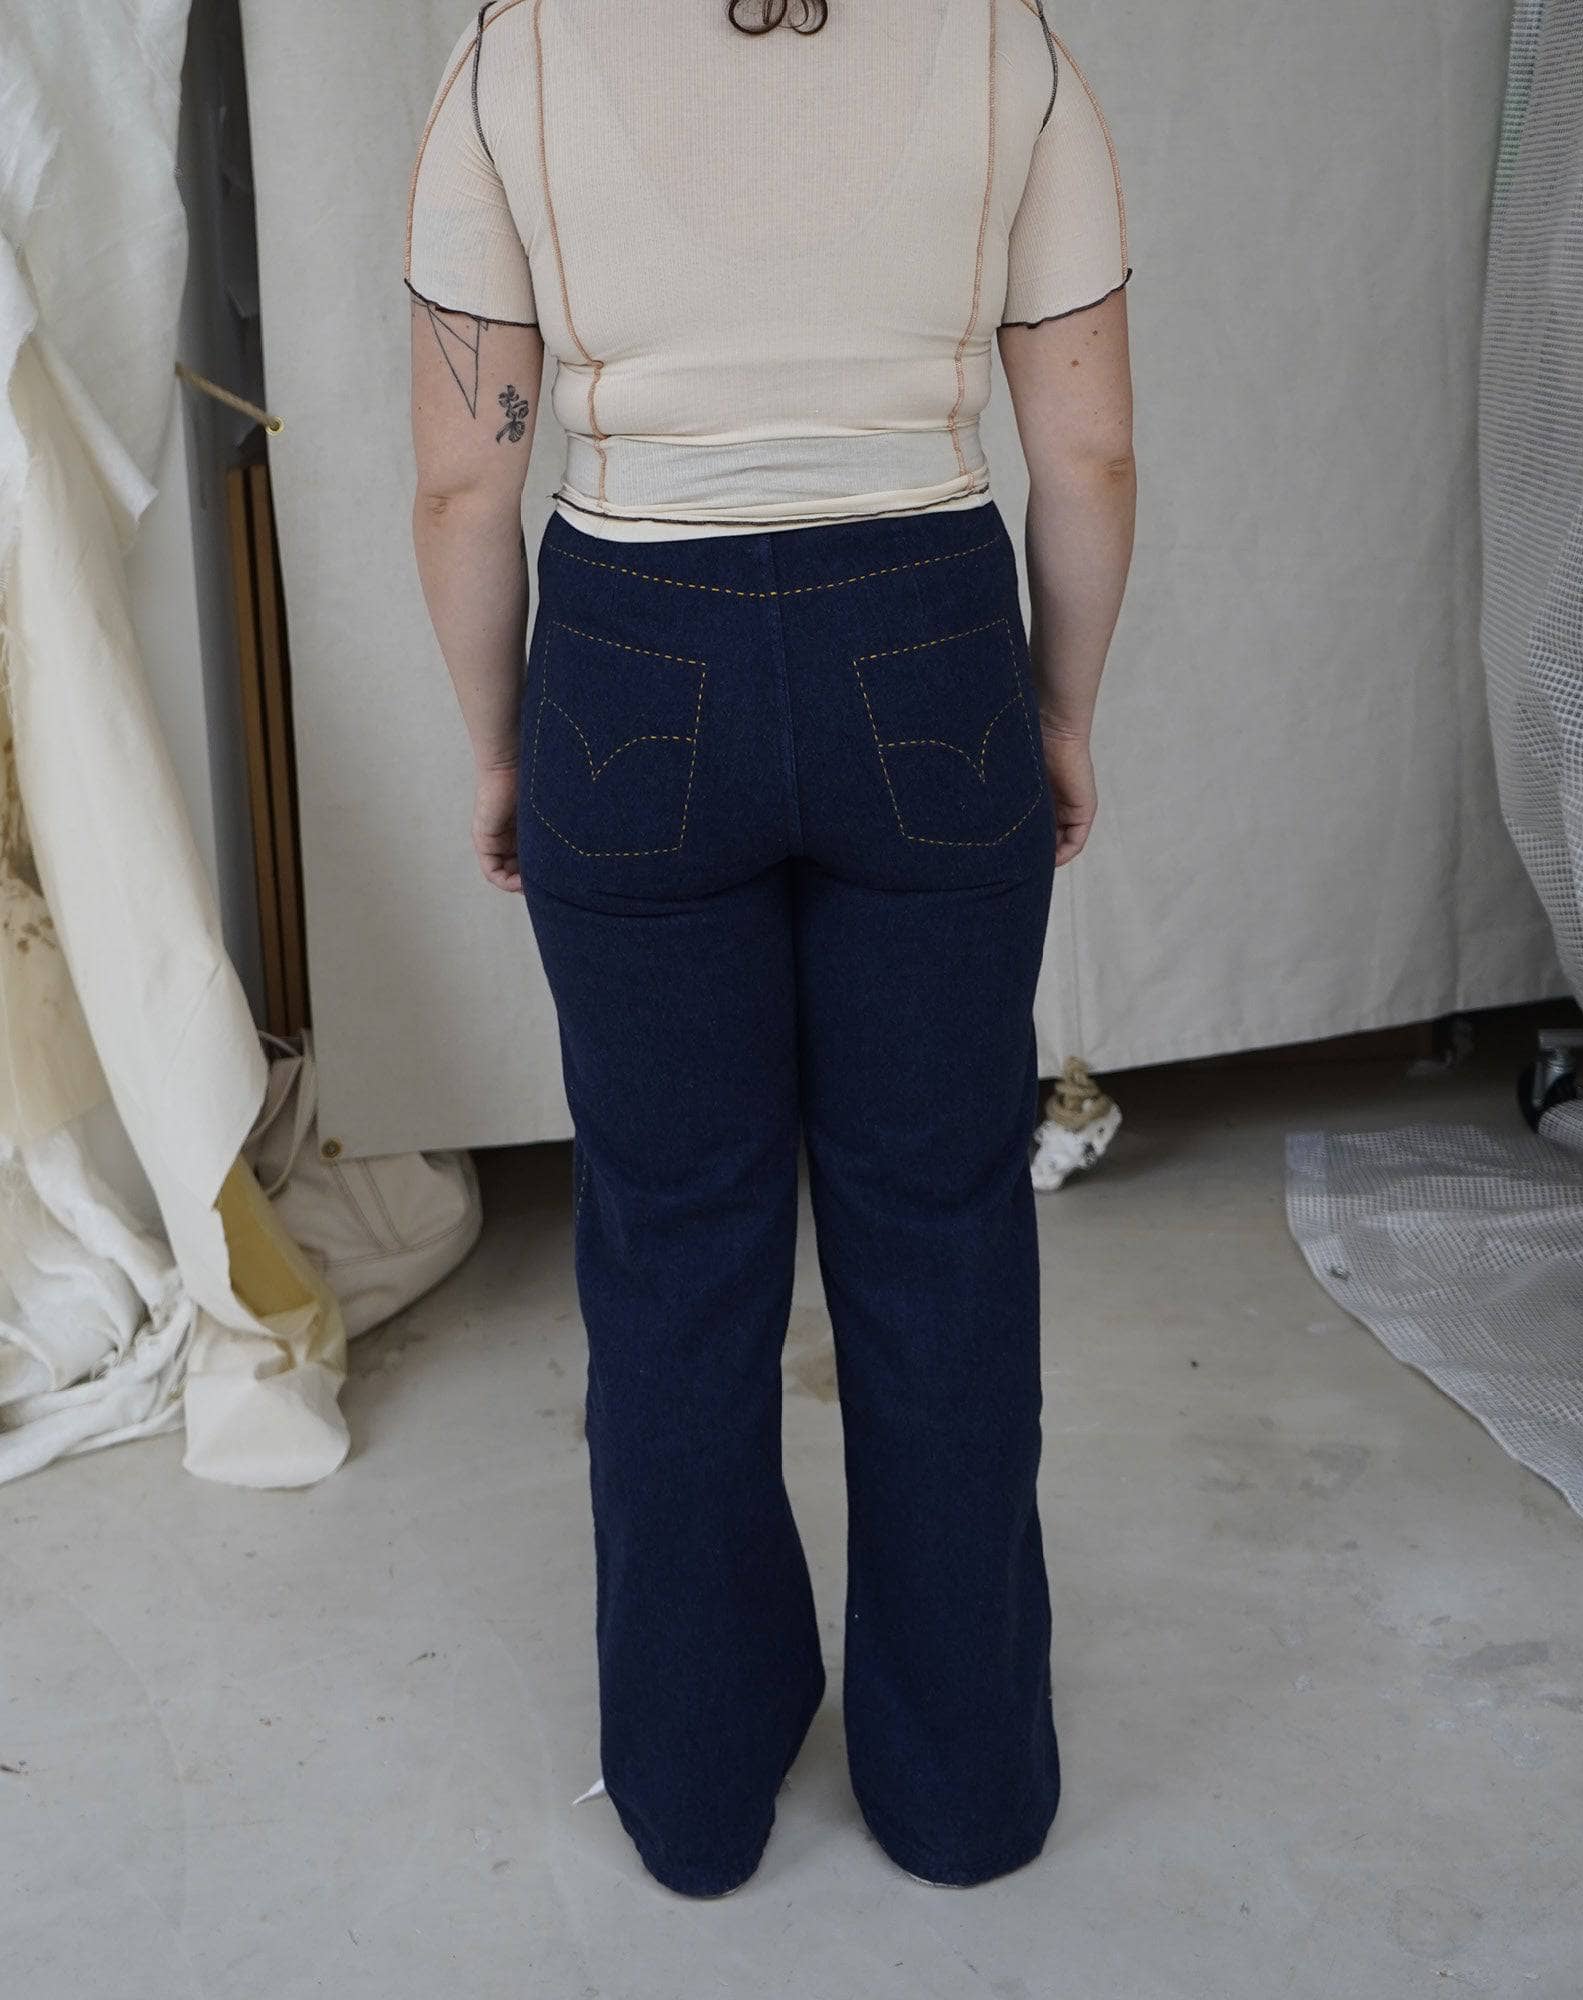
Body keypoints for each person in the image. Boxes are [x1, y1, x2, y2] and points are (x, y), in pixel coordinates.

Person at [405, 0, 1134, 1899]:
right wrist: (1059, 713)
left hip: (632, 662)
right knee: (940, 1227)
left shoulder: (509, 59)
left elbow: (467, 484)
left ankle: (697, 1795)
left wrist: (503, 749)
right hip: (931, 642)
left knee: (672, 1242)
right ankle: (966, 1794)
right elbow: (1090, 457)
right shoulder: (1010, 47)